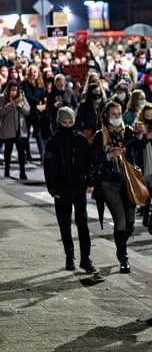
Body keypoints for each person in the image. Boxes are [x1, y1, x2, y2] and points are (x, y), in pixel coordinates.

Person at [89, 101, 143, 273]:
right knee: (120, 221)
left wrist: (139, 136)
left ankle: (120, 244)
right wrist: (109, 155)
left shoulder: (127, 131)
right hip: (109, 182)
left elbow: (137, 147)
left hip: (128, 181)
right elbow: (94, 159)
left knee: (130, 223)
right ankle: (123, 257)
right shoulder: (100, 135)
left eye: (119, 113)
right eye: (113, 114)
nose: (116, 117)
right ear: (106, 115)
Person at [43, 107, 97, 274]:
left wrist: (90, 181)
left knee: (83, 224)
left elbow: (89, 163)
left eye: (70, 122)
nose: (67, 125)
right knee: (64, 224)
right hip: (62, 189)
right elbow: (49, 168)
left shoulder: (81, 140)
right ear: (59, 123)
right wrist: (53, 189)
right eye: (64, 122)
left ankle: (85, 258)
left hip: (79, 187)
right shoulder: (53, 142)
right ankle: (69, 255)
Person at [0, 79, 31, 180]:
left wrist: (21, 107)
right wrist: (10, 106)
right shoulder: (2, 97)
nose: (14, 92)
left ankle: (22, 171)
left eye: (15, 90)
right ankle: (7, 170)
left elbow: (28, 111)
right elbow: (1, 112)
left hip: (20, 129)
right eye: (12, 90)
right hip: (8, 129)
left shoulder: (22, 97)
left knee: (21, 152)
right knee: (8, 151)